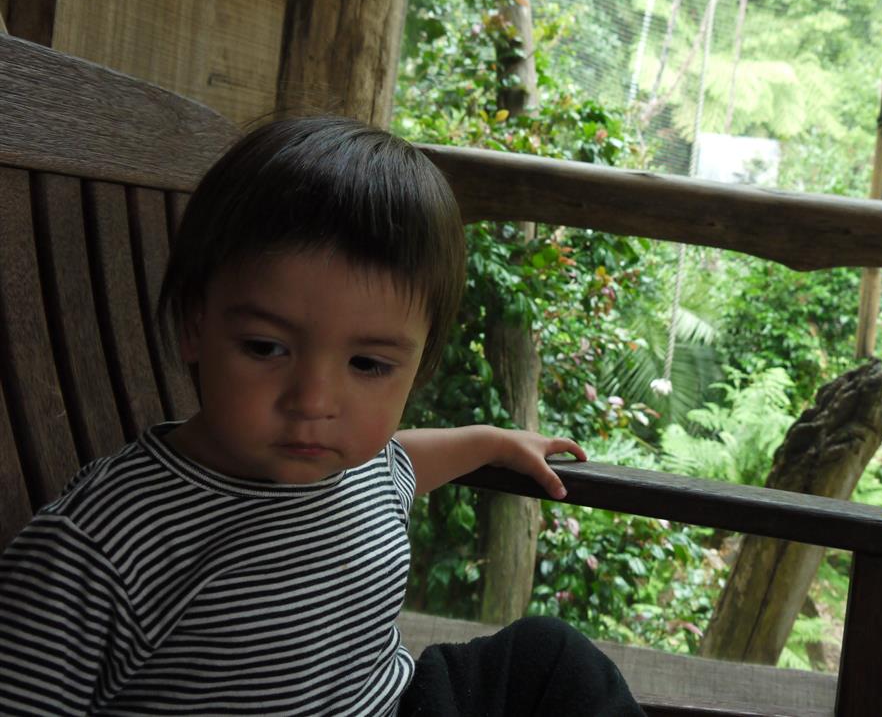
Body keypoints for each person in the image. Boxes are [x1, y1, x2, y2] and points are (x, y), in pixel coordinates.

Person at [0, 117, 644, 716]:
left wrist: (494, 442)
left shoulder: (361, 464)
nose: (313, 402)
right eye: (266, 348)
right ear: (196, 324)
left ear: (417, 365)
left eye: (367, 364)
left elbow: (408, 459)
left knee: (550, 657)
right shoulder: (105, 542)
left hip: (395, 702)